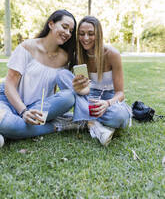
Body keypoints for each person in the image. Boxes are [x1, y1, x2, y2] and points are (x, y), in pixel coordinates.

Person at [0, 9, 81, 147]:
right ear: (51, 24)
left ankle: (16, 129)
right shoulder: (27, 47)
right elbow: (9, 85)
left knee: (68, 97)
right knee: (6, 124)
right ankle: (58, 125)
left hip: (37, 107)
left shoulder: (65, 58)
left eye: (71, 31)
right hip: (9, 101)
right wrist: (24, 111)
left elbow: (55, 91)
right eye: (64, 27)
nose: (67, 33)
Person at [55, 15, 132, 147]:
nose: (85, 38)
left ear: (99, 34)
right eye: (81, 34)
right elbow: (79, 91)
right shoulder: (78, 56)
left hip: (108, 100)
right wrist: (79, 87)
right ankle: (93, 124)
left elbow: (120, 93)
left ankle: (82, 120)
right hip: (87, 98)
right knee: (62, 75)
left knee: (120, 116)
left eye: (91, 34)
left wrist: (107, 104)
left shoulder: (112, 54)